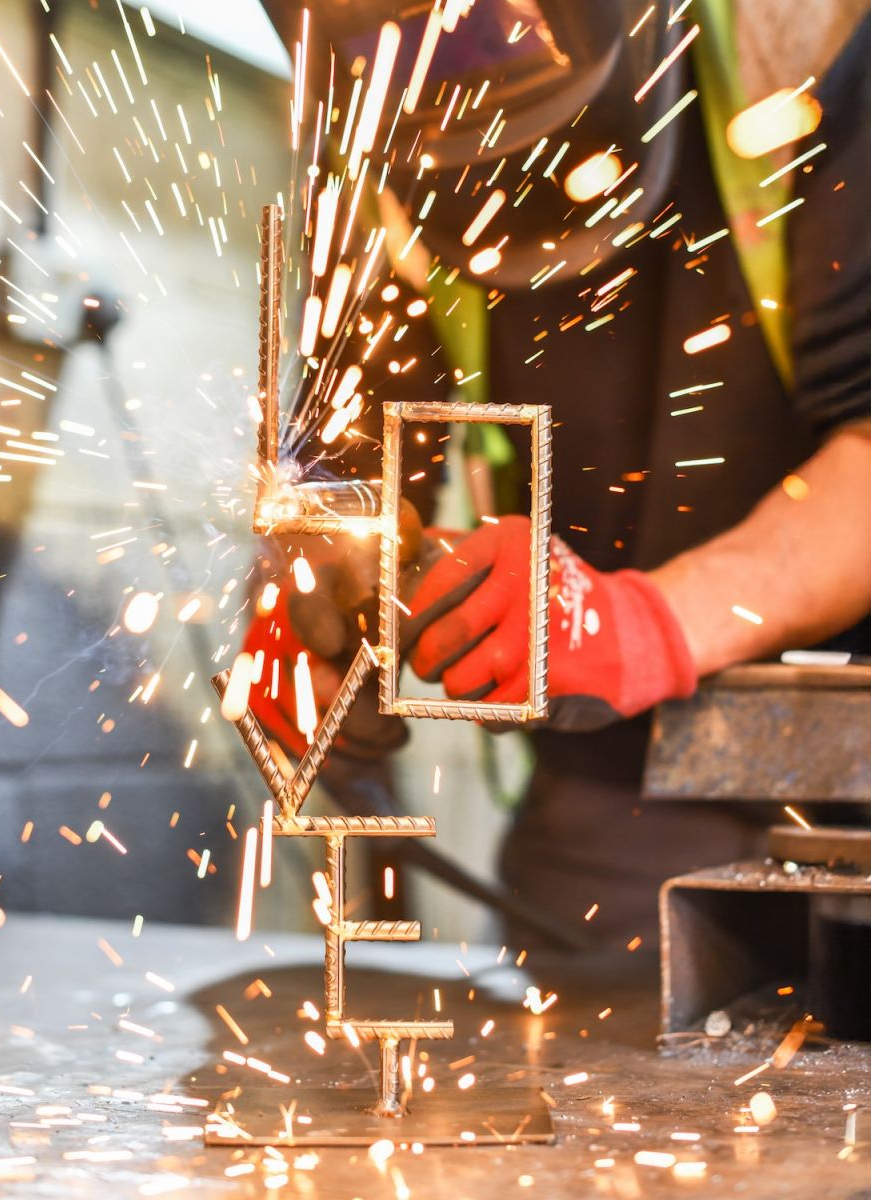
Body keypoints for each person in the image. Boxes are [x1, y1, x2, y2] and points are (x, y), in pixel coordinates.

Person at [246, 1, 871, 946]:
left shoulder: (808, 39)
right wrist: (311, 581)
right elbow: (344, 456)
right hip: (607, 796)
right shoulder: (380, 98)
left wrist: (642, 629)